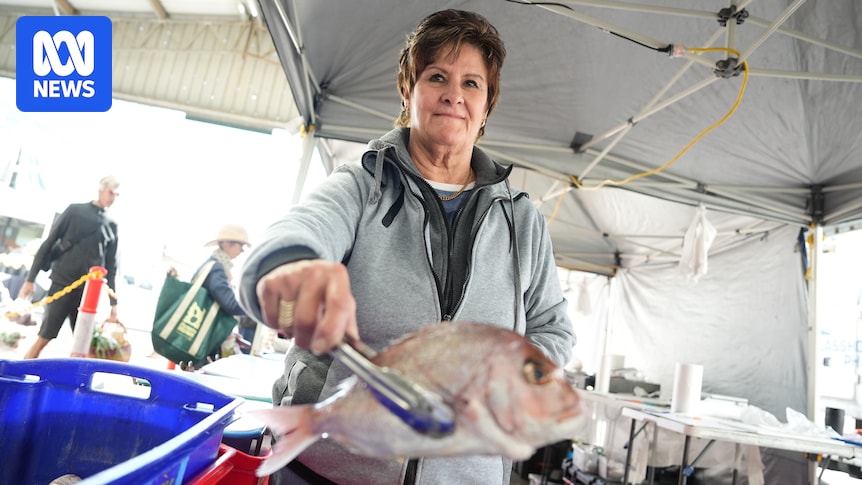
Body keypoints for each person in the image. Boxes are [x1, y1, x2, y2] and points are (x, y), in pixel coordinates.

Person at [238, 9, 575, 485]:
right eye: (437, 76)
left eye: (472, 83)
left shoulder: (523, 219)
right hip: (329, 468)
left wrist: (508, 382)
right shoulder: (362, 185)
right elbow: (297, 234)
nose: (454, 95)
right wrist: (286, 267)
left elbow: (552, 327)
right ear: (408, 91)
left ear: (487, 106)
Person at [20, 175, 121, 359]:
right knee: (45, 336)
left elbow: (111, 267)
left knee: (86, 345)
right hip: (63, 283)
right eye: (110, 193)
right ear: (101, 190)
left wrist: (114, 304)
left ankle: (81, 385)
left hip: (89, 292)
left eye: (117, 195)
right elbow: (48, 243)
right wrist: (30, 279)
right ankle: (20, 374)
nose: (113, 198)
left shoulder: (112, 225)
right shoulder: (75, 211)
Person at [190, 223, 251, 364]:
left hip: (196, 332)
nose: (242, 251)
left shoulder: (213, 265)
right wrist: (254, 307)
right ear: (228, 244)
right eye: (241, 245)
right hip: (202, 339)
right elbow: (230, 304)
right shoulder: (217, 269)